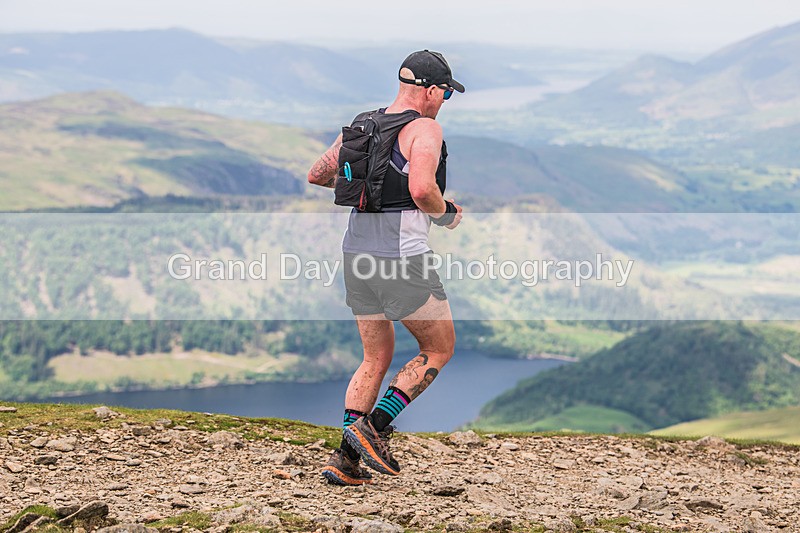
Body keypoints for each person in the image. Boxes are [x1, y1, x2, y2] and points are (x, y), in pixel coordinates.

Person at [307, 50, 465, 485]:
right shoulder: (424, 127)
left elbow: (318, 175)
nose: (444, 101)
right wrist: (446, 212)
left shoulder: (363, 123)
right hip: (401, 259)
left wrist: (365, 177)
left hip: (355, 254)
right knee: (439, 348)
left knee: (374, 357)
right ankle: (373, 428)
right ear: (431, 91)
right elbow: (420, 188)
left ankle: (344, 461)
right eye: (446, 93)